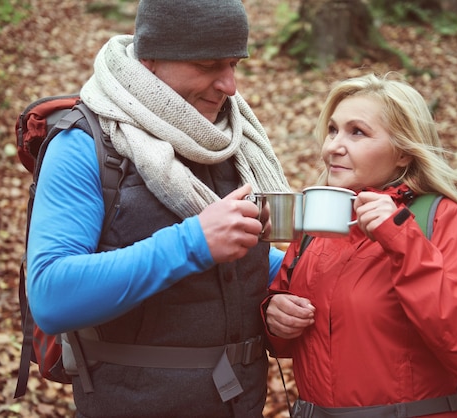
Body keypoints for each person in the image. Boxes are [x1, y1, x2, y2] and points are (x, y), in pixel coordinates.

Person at [26, 1, 291, 417]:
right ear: (150, 60)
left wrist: (290, 277)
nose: (231, 86)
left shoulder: (225, 138)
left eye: (235, 64)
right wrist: (193, 244)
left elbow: (243, 253)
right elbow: (51, 295)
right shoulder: (83, 144)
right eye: (209, 66)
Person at [263, 73, 457, 418]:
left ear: (403, 154)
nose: (332, 146)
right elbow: (287, 341)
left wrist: (401, 239)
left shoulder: (440, 219)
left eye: (357, 132)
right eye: (332, 130)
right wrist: (276, 318)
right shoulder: (319, 221)